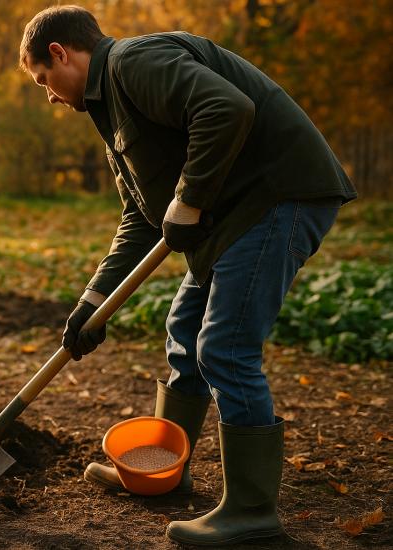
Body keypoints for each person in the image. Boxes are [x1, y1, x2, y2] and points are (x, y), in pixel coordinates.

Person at [19, 5, 356, 546]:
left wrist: (190, 198)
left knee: (224, 347)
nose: (51, 96)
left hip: (276, 197)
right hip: (232, 215)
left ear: (61, 53)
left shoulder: (133, 62)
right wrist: (92, 301)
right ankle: (163, 469)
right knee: (184, 329)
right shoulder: (112, 112)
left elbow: (225, 107)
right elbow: (141, 219)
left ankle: (252, 512)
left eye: (44, 81)